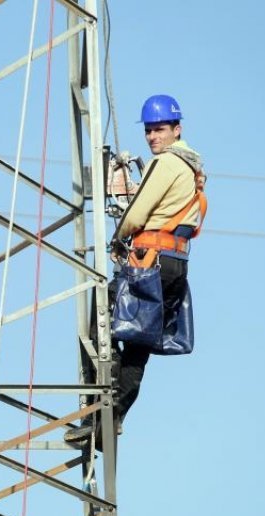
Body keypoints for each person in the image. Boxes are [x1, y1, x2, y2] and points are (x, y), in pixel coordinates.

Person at [65, 94, 205, 443]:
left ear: (176, 129)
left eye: (159, 130)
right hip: (174, 266)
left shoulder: (168, 163)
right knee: (138, 347)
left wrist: (117, 238)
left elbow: (138, 214)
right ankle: (110, 423)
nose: (152, 137)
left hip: (150, 263)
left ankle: (99, 414)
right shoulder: (192, 167)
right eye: (149, 131)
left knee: (105, 322)